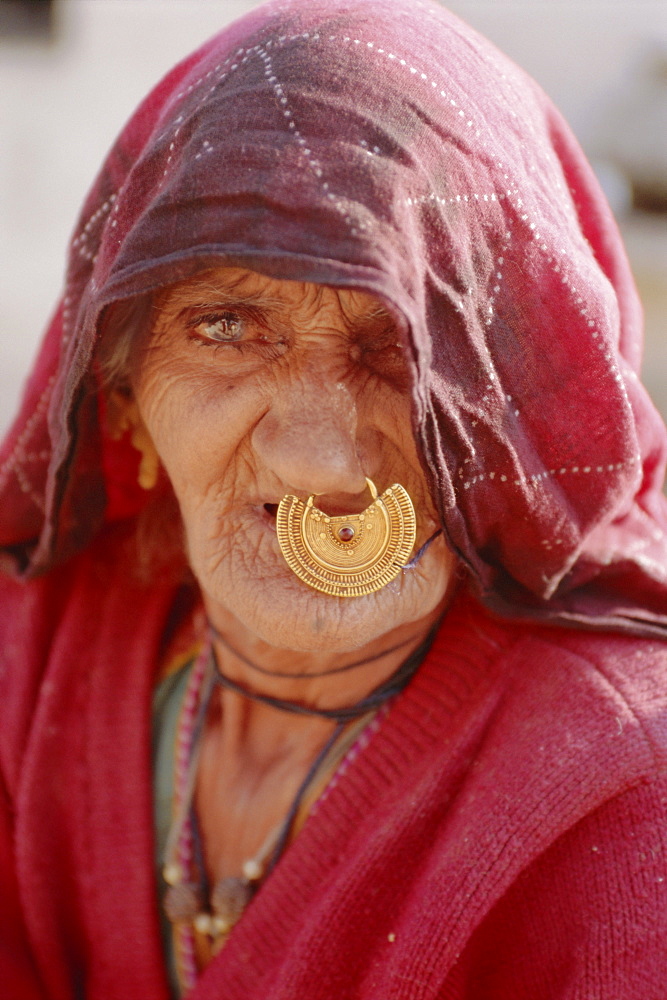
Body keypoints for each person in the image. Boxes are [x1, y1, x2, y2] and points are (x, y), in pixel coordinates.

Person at [1, 0, 666, 997]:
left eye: (403, 347)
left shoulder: (621, 796)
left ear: (512, 409)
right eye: (226, 326)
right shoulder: (37, 654)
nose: (321, 459)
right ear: (122, 402)